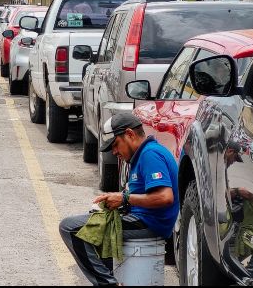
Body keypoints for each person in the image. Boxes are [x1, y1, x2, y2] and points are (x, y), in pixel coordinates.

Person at [59, 112, 179, 286]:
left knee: (70, 228)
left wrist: (125, 198)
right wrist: (116, 201)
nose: (114, 152)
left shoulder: (150, 154)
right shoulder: (143, 154)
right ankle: (115, 279)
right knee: (91, 227)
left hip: (150, 223)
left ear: (130, 134)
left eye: (115, 145)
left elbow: (165, 197)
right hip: (142, 219)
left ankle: (108, 284)